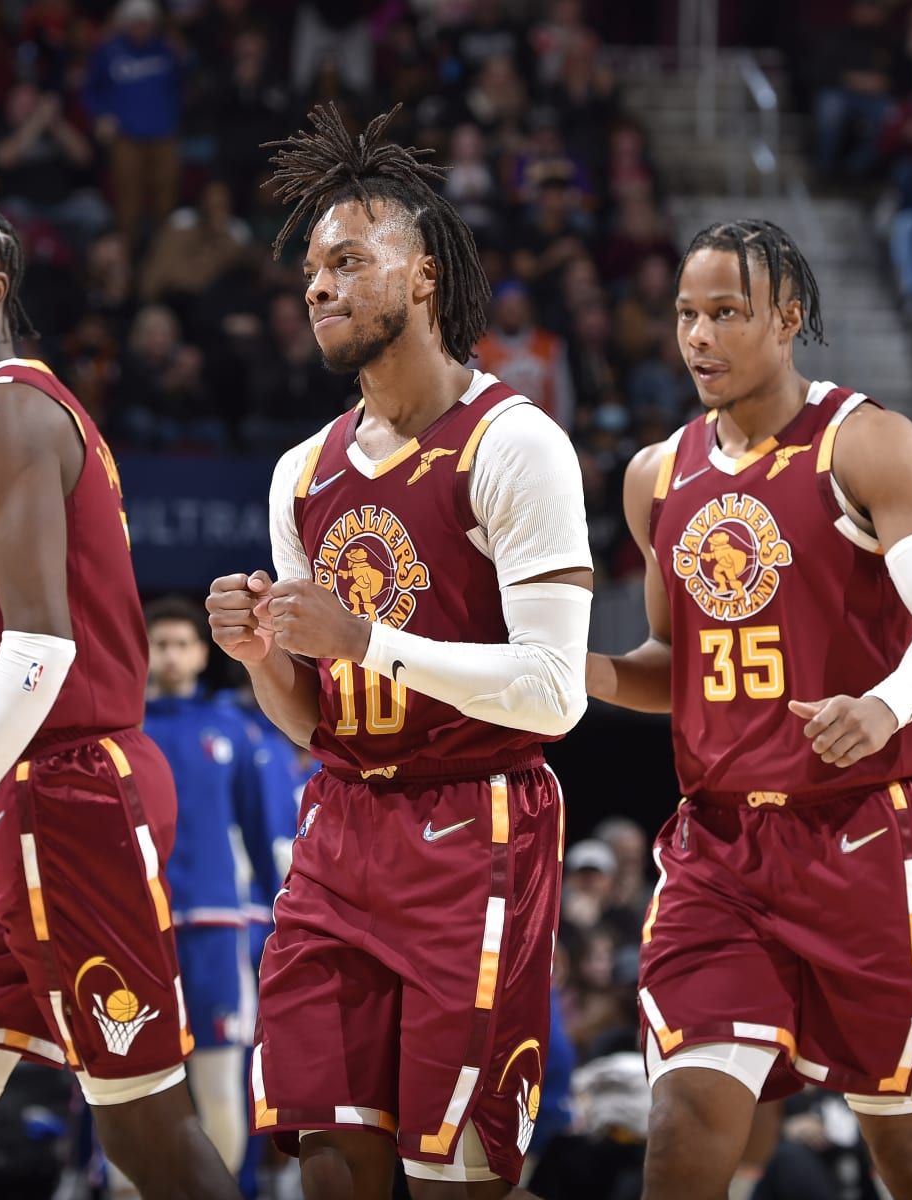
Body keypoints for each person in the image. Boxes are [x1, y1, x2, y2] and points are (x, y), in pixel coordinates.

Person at [206, 104, 592, 1198]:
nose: (319, 286)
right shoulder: (300, 472)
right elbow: (312, 716)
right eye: (312, 270)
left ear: (423, 275)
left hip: (478, 826)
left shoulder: (515, 443)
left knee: (454, 1176)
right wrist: (259, 657)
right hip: (338, 831)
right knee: (328, 1160)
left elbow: (556, 694)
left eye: (348, 261)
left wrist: (364, 637)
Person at [586, 218, 912, 1199]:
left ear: (791, 318)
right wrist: (584, 675)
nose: (700, 337)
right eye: (687, 314)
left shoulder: (868, 443)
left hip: (860, 837)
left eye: (727, 312)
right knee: (683, 1121)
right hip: (717, 854)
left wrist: (888, 705)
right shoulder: (657, 475)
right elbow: (671, 666)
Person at [0, 197, 238, 1200]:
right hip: (17, 796)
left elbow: (38, 650)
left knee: (151, 1135)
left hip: (67, 795)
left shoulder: (6, 412)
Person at [143, 596, 289, 1173]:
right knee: (131, 1083)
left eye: (183, 644)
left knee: (220, 1080)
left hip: (214, 927)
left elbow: (263, 835)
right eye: (161, 644)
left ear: (203, 654)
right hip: (134, 926)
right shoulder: (118, 731)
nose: (172, 655)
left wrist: (283, 921)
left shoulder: (235, 731)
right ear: (144, 652)